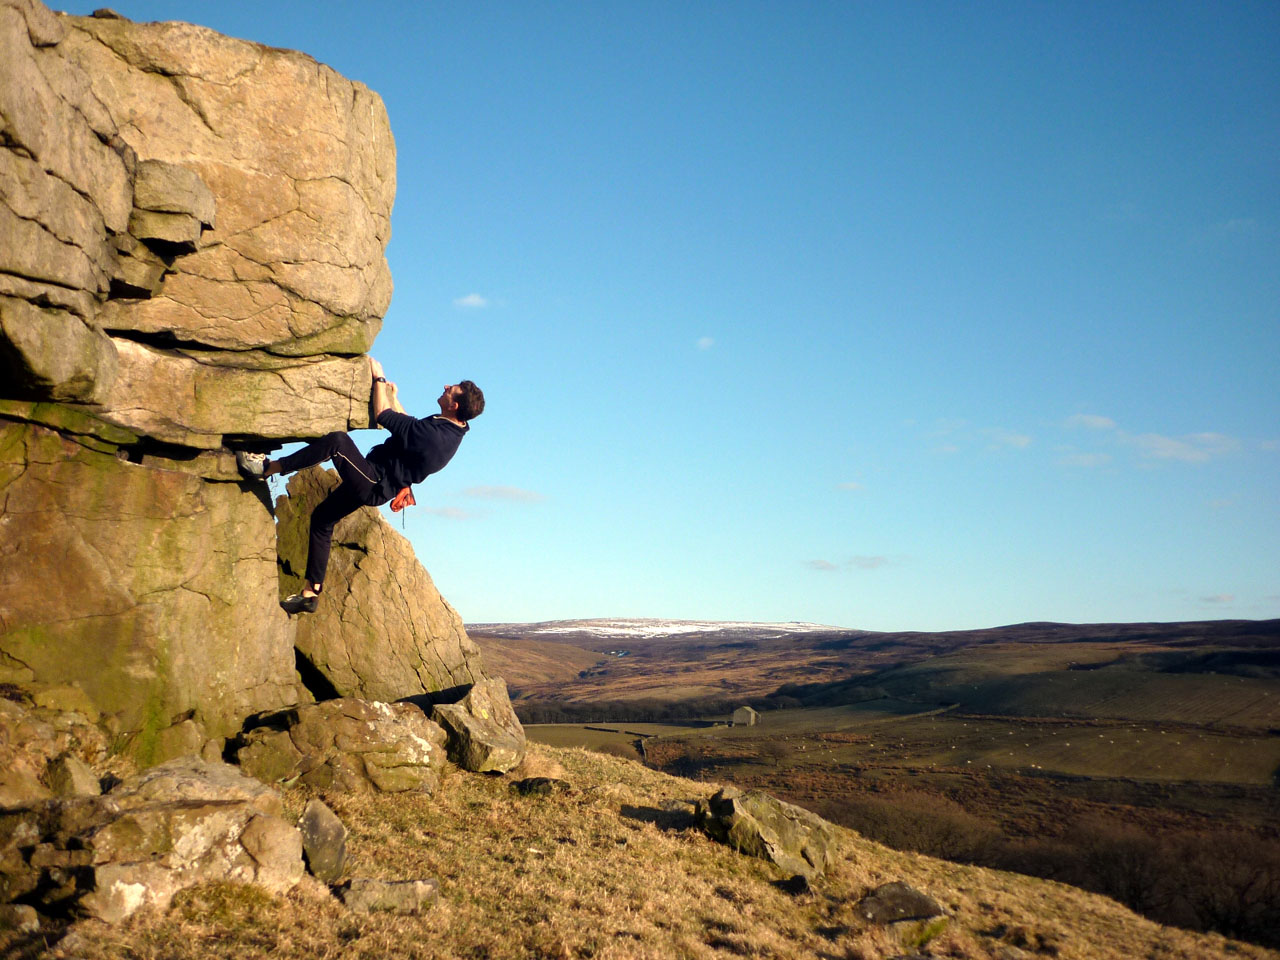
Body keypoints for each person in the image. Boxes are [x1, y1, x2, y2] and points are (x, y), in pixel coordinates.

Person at [237, 357, 484, 614]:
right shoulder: (451, 428)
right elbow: (408, 425)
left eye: (450, 390)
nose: (445, 386)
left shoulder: (435, 437)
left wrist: (378, 378)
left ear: (454, 405)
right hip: (376, 478)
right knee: (322, 519)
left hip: (373, 482)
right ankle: (310, 594)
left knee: (338, 442)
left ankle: (267, 468)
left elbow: (383, 416)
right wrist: (391, 394)